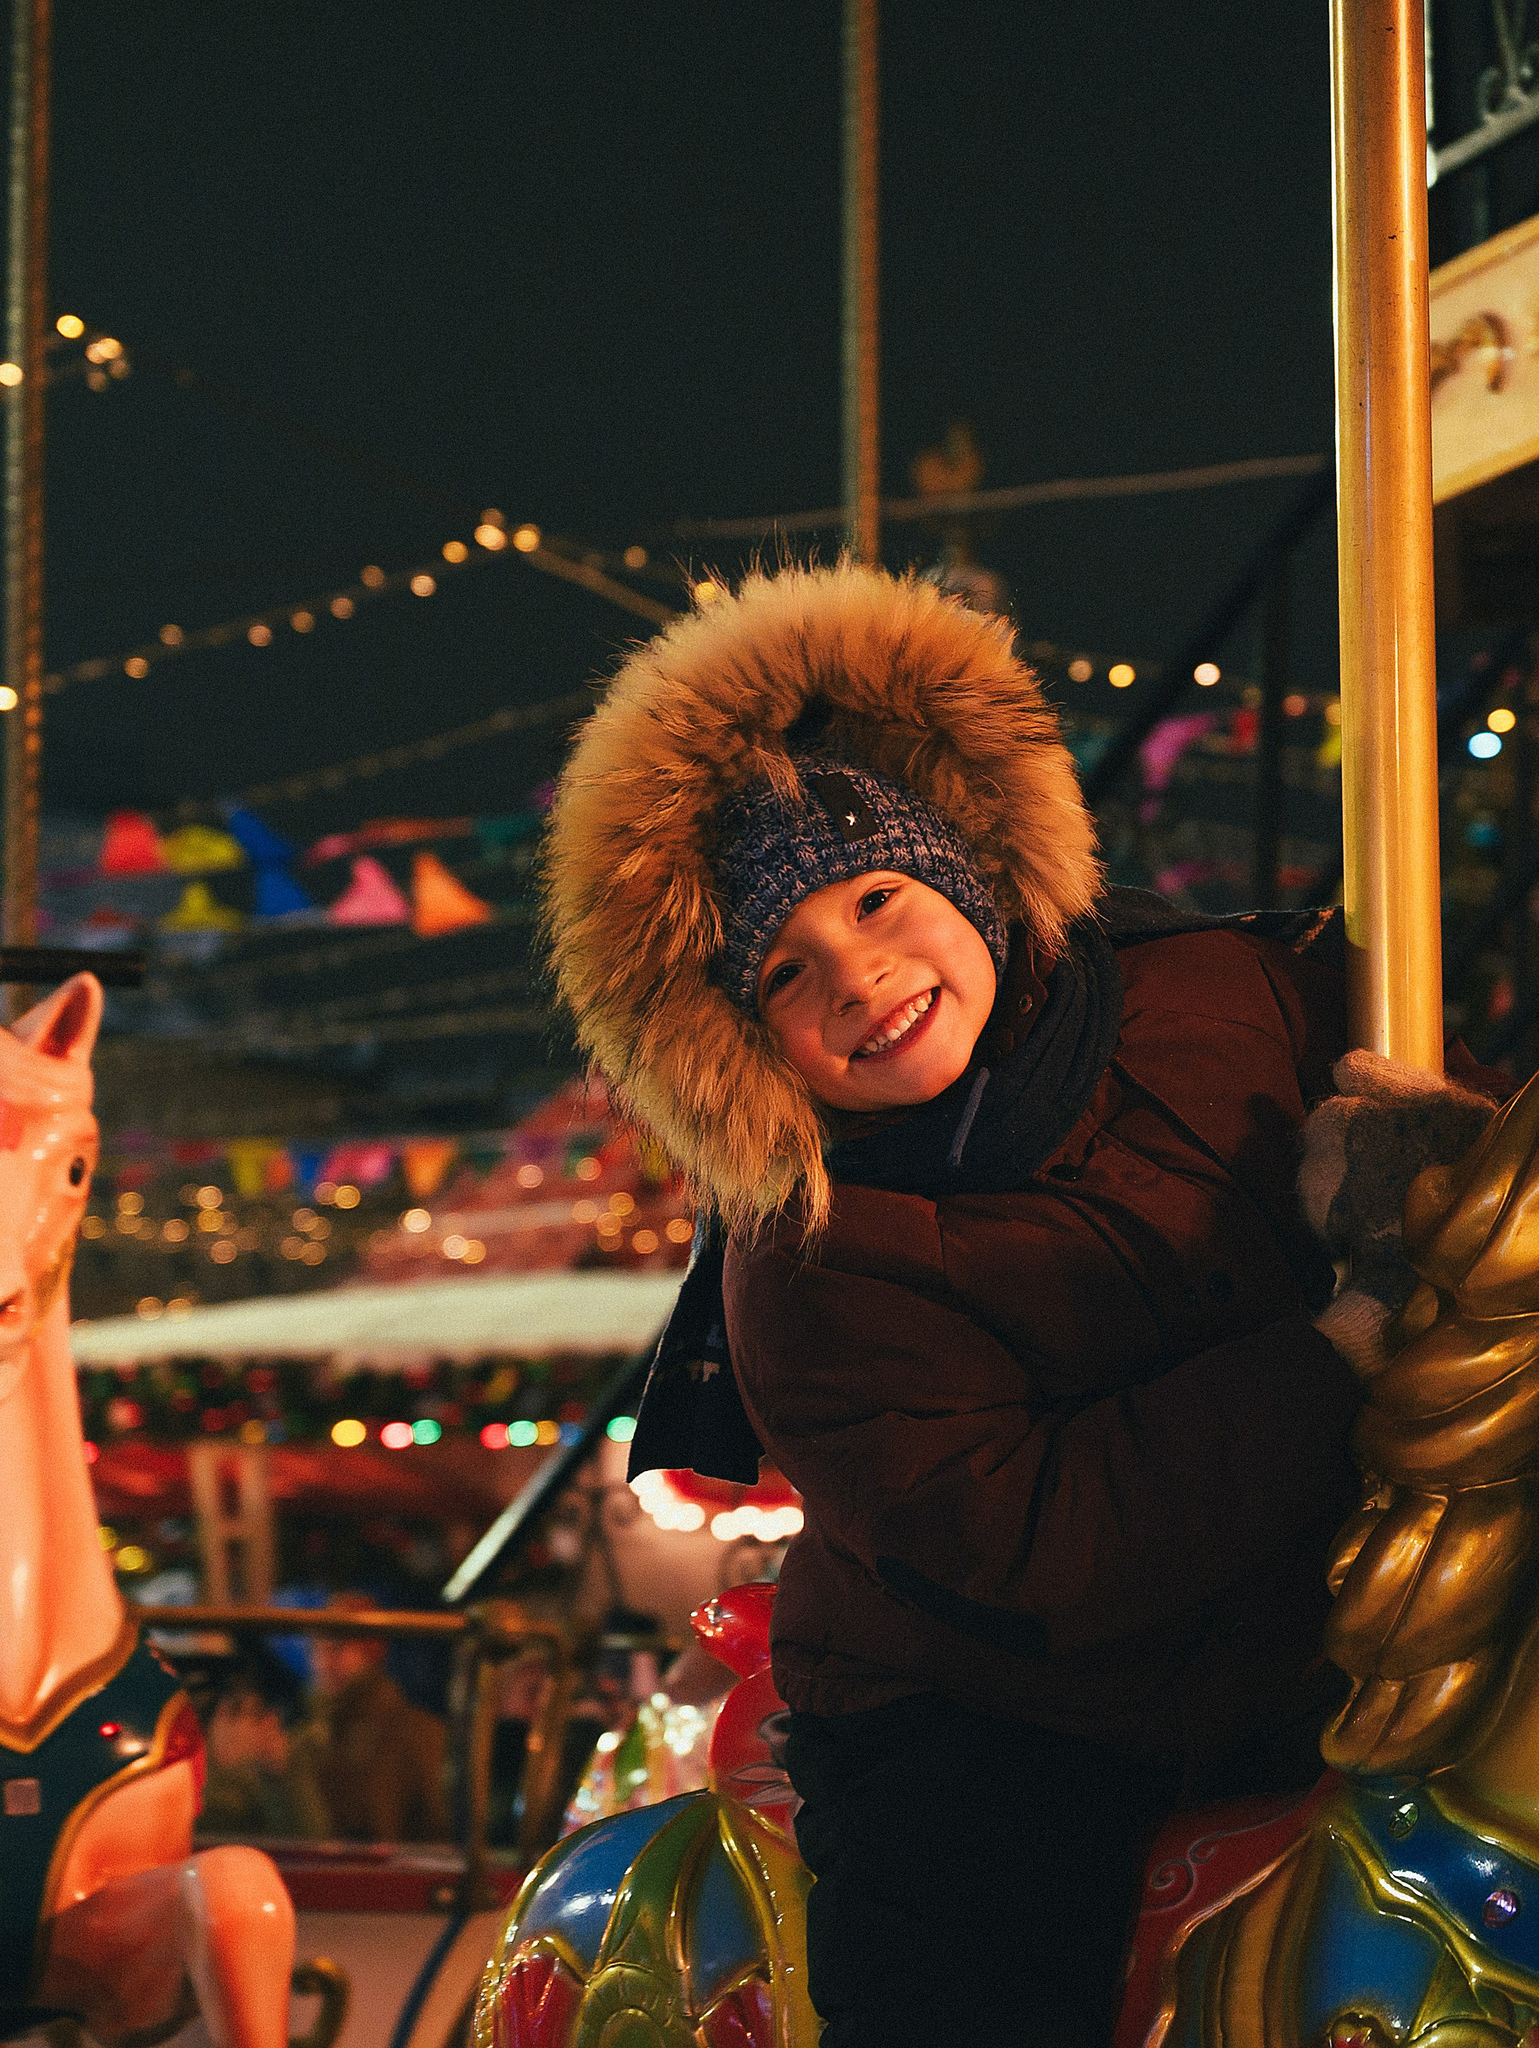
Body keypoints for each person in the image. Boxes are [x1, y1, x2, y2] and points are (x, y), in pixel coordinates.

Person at [542, 562, 1487, 2048]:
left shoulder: (1227, 992)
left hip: (1324, 1613)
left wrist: (1450, 1163)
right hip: (1002, 1706)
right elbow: (1050, 1539)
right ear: (751, 1043)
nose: (861, 976)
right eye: (790, 973)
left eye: (877, 900)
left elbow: (1496, 1119)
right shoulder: (814, 1259)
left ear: (966, 877)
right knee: (968, 1941)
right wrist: (1352, 1339)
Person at [201, 1596, 450, 1844]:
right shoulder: (308, 1733)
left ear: (372, 1651)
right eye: (315, 1650)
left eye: (336, 1648)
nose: (322, 1663)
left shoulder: (413, 1732)